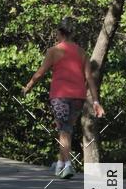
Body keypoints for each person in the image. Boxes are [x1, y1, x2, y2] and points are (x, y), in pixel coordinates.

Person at [22, 17, 105, 177]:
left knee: (64, 131)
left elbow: (40, 73)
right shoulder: (82, 53)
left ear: (60, 33)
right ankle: (60, 163)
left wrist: (28, 87)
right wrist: (95, 101)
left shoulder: (54, 51)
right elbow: (89, 78)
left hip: (60, 96)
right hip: (79, 97)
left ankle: (68, 165)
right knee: (66, 130)